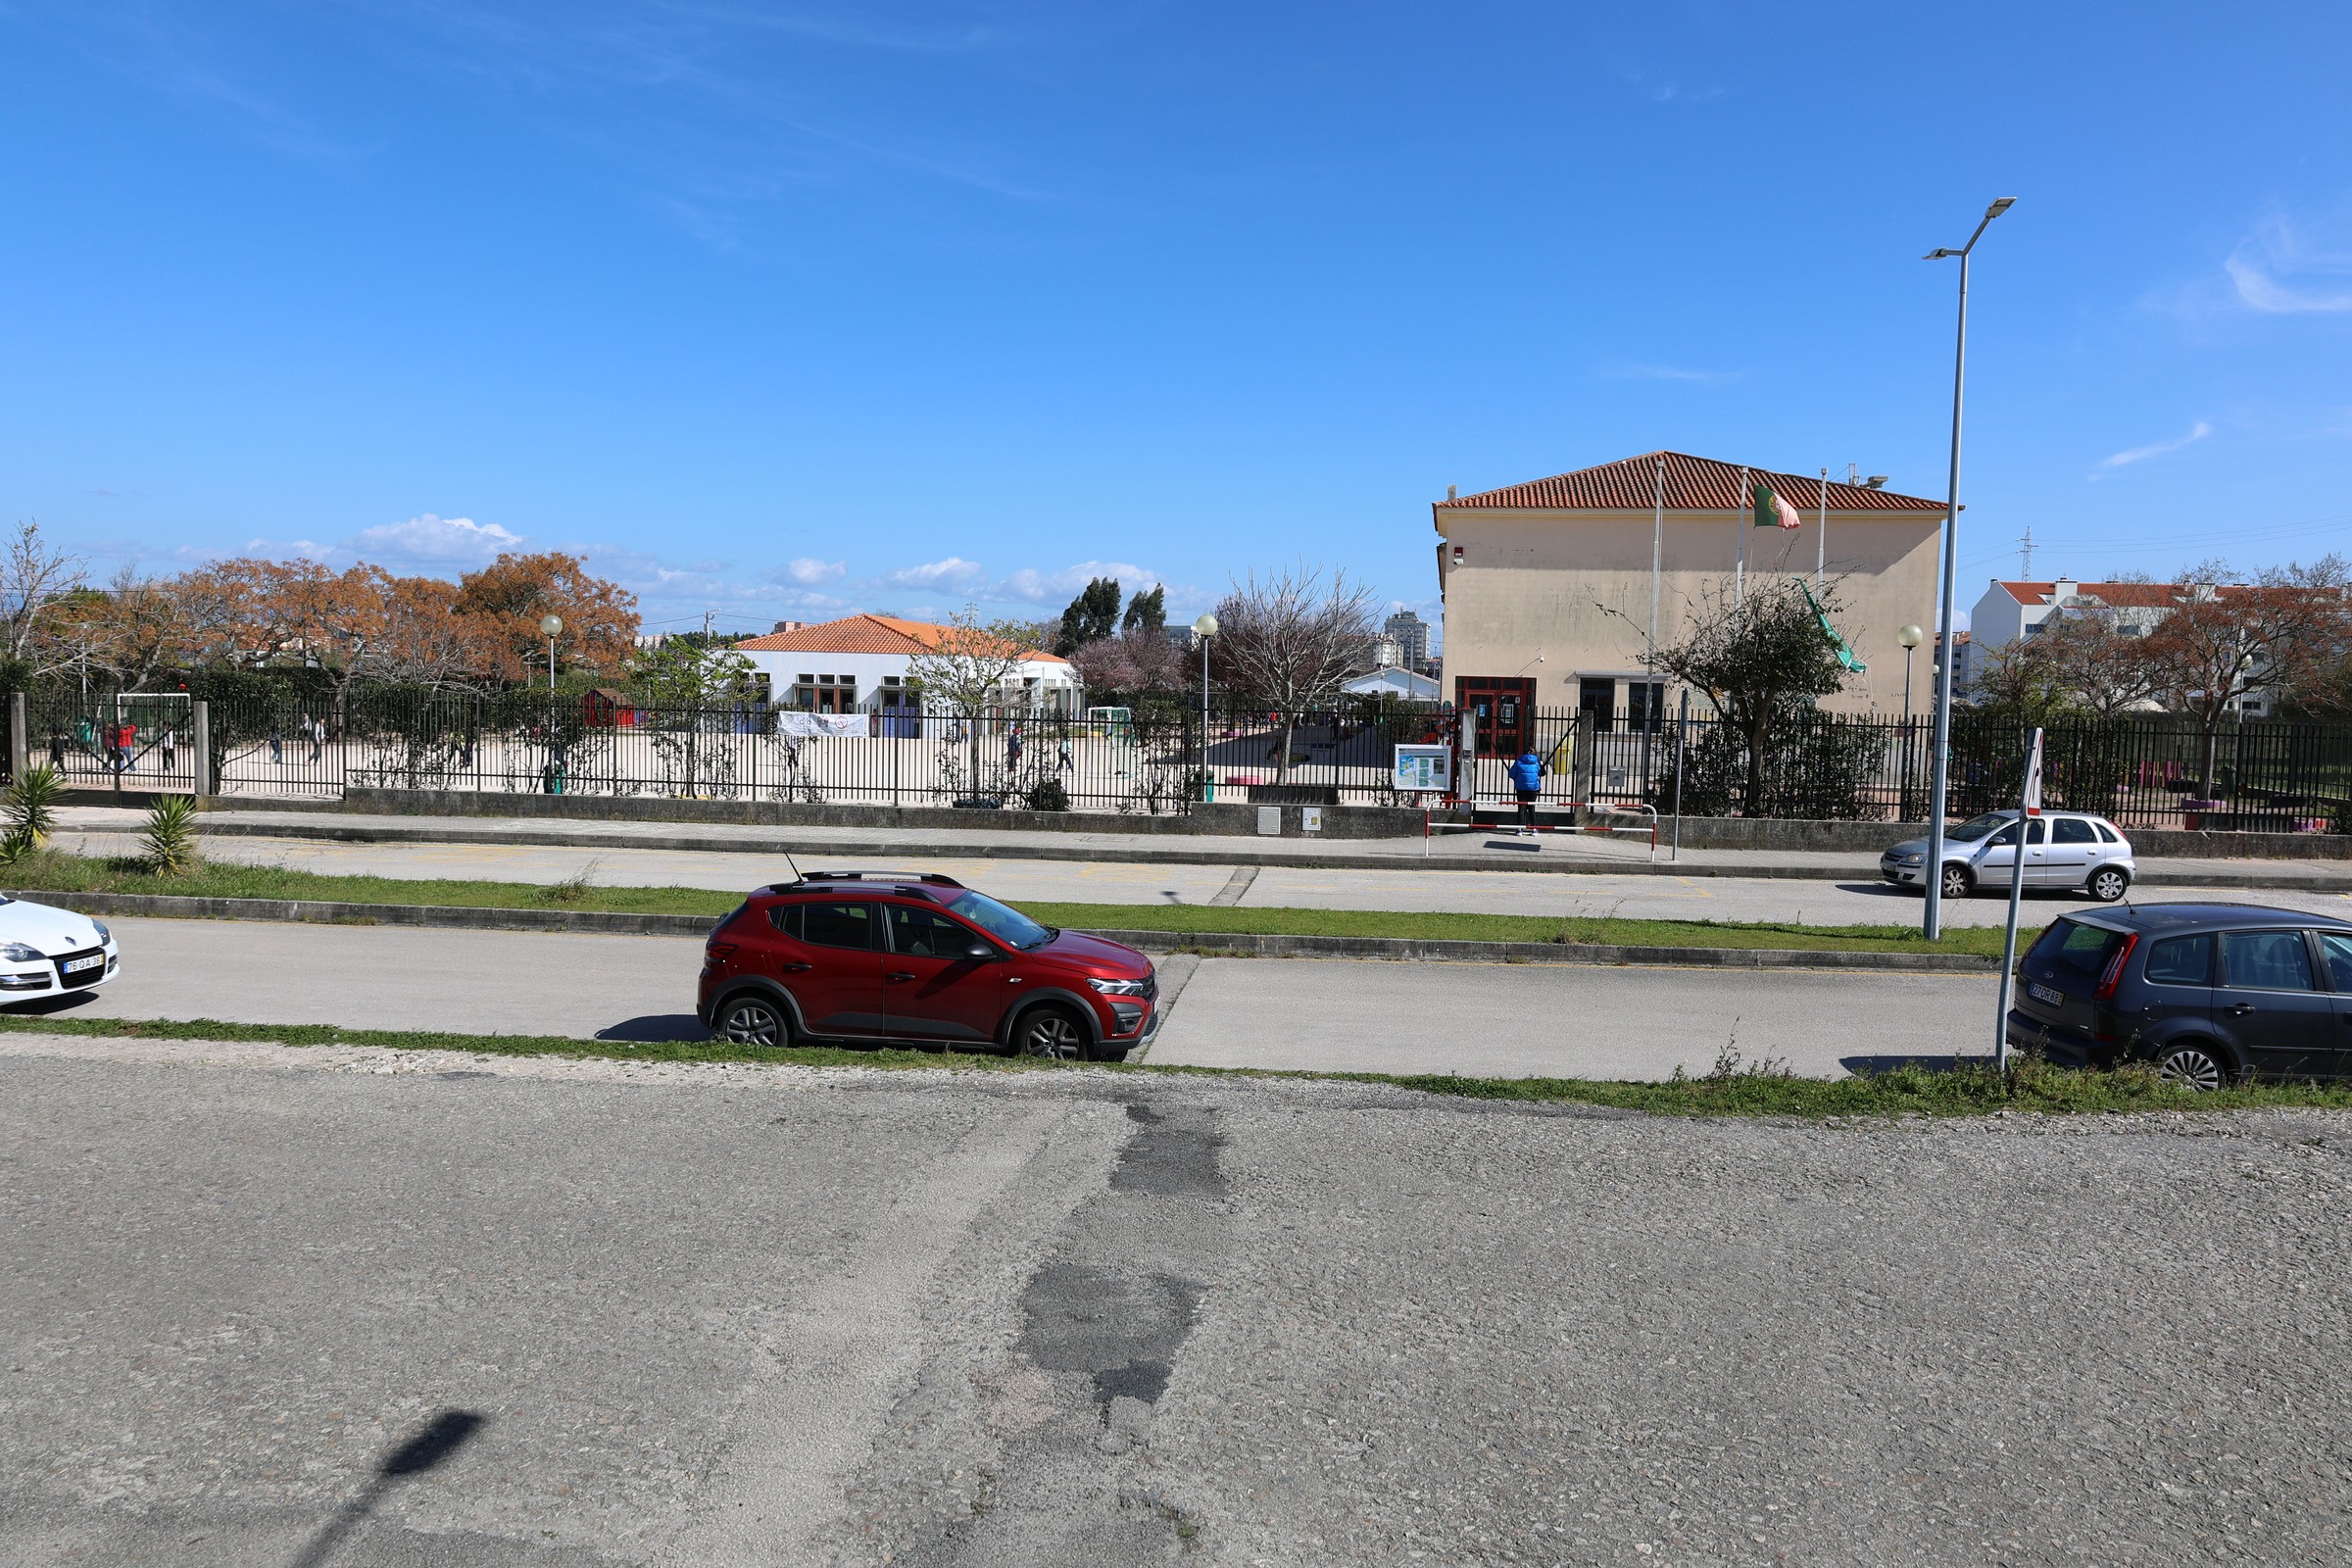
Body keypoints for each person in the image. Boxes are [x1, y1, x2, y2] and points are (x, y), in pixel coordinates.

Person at [1508, 749, 1544, 836]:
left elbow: (1511, 774)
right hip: (1533, 788)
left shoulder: (1518, 762)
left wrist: (1518, 779)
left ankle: (1519, 829)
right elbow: (1542, 773)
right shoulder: (1537, 763)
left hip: (1521, 788)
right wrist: (1542, 765)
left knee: (1521, 808)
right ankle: (1534, 829)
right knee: (1532, 808)